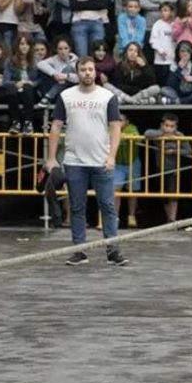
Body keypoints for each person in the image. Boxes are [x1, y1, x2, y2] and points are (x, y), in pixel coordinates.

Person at [45, 56, 127, 266]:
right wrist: (52, 158)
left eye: (90, 70)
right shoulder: (66, 96)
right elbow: (55, 126)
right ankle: (79, 250)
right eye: (83, 70)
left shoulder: (107, 96)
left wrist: (111, 156)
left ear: (96, 72)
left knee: (108, 205)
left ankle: (113, 249)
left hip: (101, 160)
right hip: (74, 161)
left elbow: (115, 126)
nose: (87, 73)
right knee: (77, 207)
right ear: (77, 72)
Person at [144, 113, 190, 224]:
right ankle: (168, 218)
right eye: (167, 125)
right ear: (162, 125)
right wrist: (162, 134)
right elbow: (146, 133)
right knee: (163, 193)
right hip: (159, 168)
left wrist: (174, 151)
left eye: (172, 126)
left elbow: (189, 151)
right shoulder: (157, 133)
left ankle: (172, 218)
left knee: (172, 193)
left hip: (174, 169)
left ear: (176, 127)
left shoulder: (180, 135)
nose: (169, 128)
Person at [3, 34, 41, 134]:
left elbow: (41, 79)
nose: (25, 46)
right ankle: (16, 123)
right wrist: (16, 83)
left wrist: (32, 83)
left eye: (27, 44)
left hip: (32, 92)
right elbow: (5, 82)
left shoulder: (37, 60)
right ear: (18, 45)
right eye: (22, 44)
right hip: (16, 91)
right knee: (11, 89)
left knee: (27, 87)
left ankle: (28, 123)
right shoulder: (10, 61)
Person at [113, 113, 141, 228]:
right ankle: (115, 217)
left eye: (121, 120)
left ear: (127, 122)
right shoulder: (110, 128)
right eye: (117, 120)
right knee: (115, 190)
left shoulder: (132, 128)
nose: (119, 122)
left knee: (132, 191)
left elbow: (137, 137)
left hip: (132, 162)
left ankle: (131, 216)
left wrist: (126, 135)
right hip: (117, 163)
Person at [36, 36, 79, 106]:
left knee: (69, 69)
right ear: (56, 50)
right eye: (60, 49)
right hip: (58, 93)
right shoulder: (54, 59)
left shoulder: (76, 61)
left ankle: (48, 96)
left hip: (70, 91)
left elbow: (80, 78)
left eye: (66, 48)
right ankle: (49, 96)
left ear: (70, 49)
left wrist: (66, 76)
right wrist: (55, 74)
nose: (63, 52)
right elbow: (40, 64)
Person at [149, 1, 177, 86]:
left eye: (165, 10)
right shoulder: (157, 24)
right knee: (161, 83)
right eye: (161, 11)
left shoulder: (176, 24)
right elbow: (153, 40)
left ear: (172, 12)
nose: (163, 13)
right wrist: (160, 51)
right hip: (160, 61)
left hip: (173, 60)